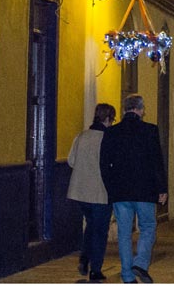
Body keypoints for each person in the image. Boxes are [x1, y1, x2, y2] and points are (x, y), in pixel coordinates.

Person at [100, 94, 167, 284]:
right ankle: (141, 263)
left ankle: (127, 276)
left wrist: (110, 187)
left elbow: (104, 163)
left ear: (124, 110)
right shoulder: (150, 130)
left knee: (124, 233)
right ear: (140, 109)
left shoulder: (112, 132)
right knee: (148, 227)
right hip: (145, 191)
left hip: (120, 192)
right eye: (143, 109)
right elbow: (156, 162)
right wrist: (162, 188)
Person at [67, 103, 116, 282]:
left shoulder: (81, 136)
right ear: (108, 118)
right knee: (100, 230)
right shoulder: (108, 138)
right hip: (101, 191)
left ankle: (84, 258)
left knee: (91, 224)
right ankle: (95, 269)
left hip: (80, 191)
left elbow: (71, 160)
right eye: (112, 119)